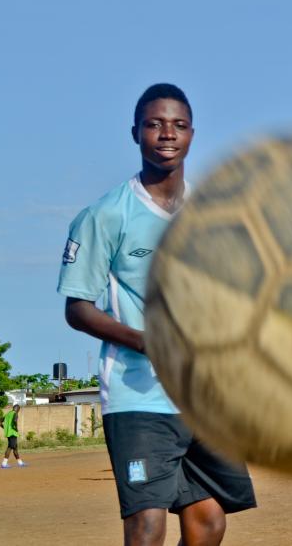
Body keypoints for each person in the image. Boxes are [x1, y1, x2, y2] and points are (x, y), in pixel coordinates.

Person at [58, 83, 256, 545]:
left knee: (209, 521)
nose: (167, 134)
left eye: (179, 125)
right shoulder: (106, 215)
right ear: (135, 133)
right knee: (147, 525)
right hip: (137, 398)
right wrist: (148, 342)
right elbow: (78, 309)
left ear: (192, 134)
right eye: (155, 124)